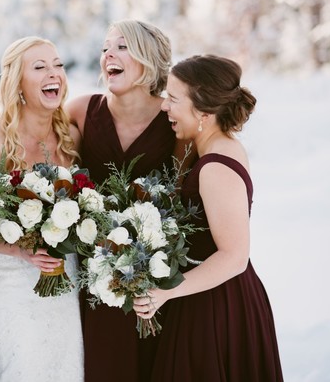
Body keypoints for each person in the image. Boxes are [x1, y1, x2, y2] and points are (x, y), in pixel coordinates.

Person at [133, 54, 284, 381]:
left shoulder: (216, 165)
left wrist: (166, 292)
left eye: (173, 99)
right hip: (203, 295)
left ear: (203, 111)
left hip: (216, 306)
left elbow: (234, 257)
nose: (164, 107)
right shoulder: (211, 146)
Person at [65, 19, 188, 381]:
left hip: (156, 274)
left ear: (149, 60)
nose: (108, 55)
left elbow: (183, 191)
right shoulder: (81, 110)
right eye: (105, 48)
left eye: (122, 47)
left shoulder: (173, 117)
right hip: (97, 273)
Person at [0, 36, 84, 382]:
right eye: (39, 67)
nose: (53, 73)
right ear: (18, 83)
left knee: (68, 367)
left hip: (65, 274)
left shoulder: (72, 138)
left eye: (58, 65)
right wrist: (22, 251)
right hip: (13, 278)